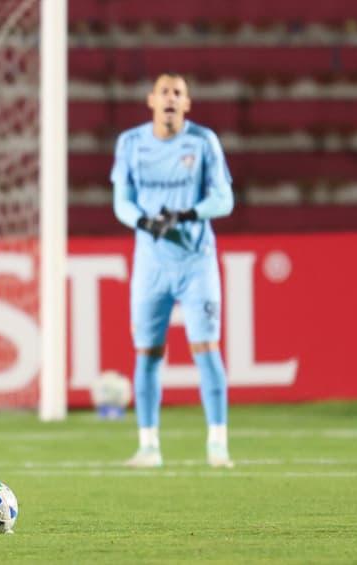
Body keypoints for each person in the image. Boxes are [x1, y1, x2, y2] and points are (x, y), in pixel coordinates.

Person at [110, 73, 235, 468]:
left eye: (177, 93)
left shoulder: (203, 141)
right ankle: (148, 445)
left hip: (197, 261)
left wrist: (187, 212)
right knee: (148, 352)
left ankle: (218, 443)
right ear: (151, 100)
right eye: (164, 91)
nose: (170, 98)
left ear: (187, 104)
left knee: (206, 348)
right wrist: (145, 222)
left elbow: (224, 198)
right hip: (151, 263)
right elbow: (122, 201)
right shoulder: (130, 143)